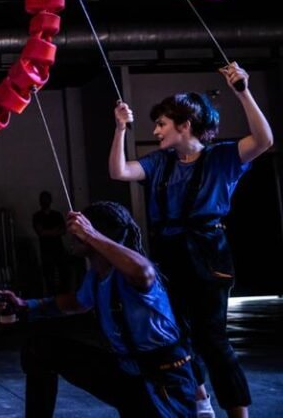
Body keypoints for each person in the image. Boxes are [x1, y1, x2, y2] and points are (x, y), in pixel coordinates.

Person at [109, 62, 273, 418]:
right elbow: (119, 171)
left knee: (212, 340)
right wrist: (120, 128)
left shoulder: (222, 158)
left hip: (209, 254)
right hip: (168, 255)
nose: (156, 131)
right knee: (176, 335)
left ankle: (238, 413)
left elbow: (264, 140)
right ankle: (201, 401)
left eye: (162, 124)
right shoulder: (159, 162)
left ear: (184, 126)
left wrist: (242, 91)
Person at [0, 201, 197, 417]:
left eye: (79, 229)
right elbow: (76, 303)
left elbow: (144, 271)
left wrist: (90, 234)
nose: (72, 235)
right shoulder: (95, 276)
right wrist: (27, 306)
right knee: (38, 348)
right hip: (128, 372)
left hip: (163, 379)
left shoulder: (133, 271)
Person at [33, 190, 67, 295]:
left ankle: (63, 295)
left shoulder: (57, 215)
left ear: (50, 201)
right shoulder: (37, 216)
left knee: (62, 273)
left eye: (46, 199)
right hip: (46, 250)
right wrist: (54, 231)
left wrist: (48, 232)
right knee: (48, 274)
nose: (44, 201)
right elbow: (41, 232)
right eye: (43, 199)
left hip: (58, 248)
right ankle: (51, 296)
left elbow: (63, 230)